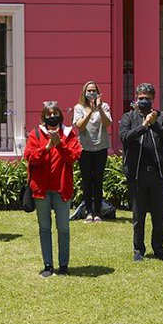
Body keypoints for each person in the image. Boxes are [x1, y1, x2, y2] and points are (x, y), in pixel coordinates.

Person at [25, 101, 82, 277]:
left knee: (63, 227)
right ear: (43, 117)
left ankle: (63, 265)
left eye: (55, 114)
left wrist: (60, 144)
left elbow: (74, 156)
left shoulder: (69, 134)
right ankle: (48, 265)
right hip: (41, 189)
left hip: (61, 188)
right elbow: (30, 157)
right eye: (48, 115)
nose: (52, 117)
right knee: (44, 228)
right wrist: (47, 147)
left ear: (60, 116)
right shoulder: (36, 134)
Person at [119, 83, 163, 261]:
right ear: (136, 98)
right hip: (137, 174)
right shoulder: (129, 117)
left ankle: (158, 249)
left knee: (159, 216)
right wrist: (143, 125)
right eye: (141, 98)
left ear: (153, 99)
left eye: (147, 98)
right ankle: (138, 251)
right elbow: (125, 138)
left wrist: (154, 123)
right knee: (138, 215)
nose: (144, 100)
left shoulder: (162, 117)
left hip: (158, 174)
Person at [73, 80, 113, 222]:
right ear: (84, 93)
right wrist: (89, 111)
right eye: (88, 91)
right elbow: (80, 126)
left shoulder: (105, 106)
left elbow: (108, 123)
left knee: (98, 180)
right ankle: (88, 212)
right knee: (87, 180)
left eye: (93, 90)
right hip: (85, 149)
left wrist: (99, 108)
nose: (91, 93)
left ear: (98, 92)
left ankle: (98, 213)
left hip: (101, 147)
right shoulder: (79, 107)